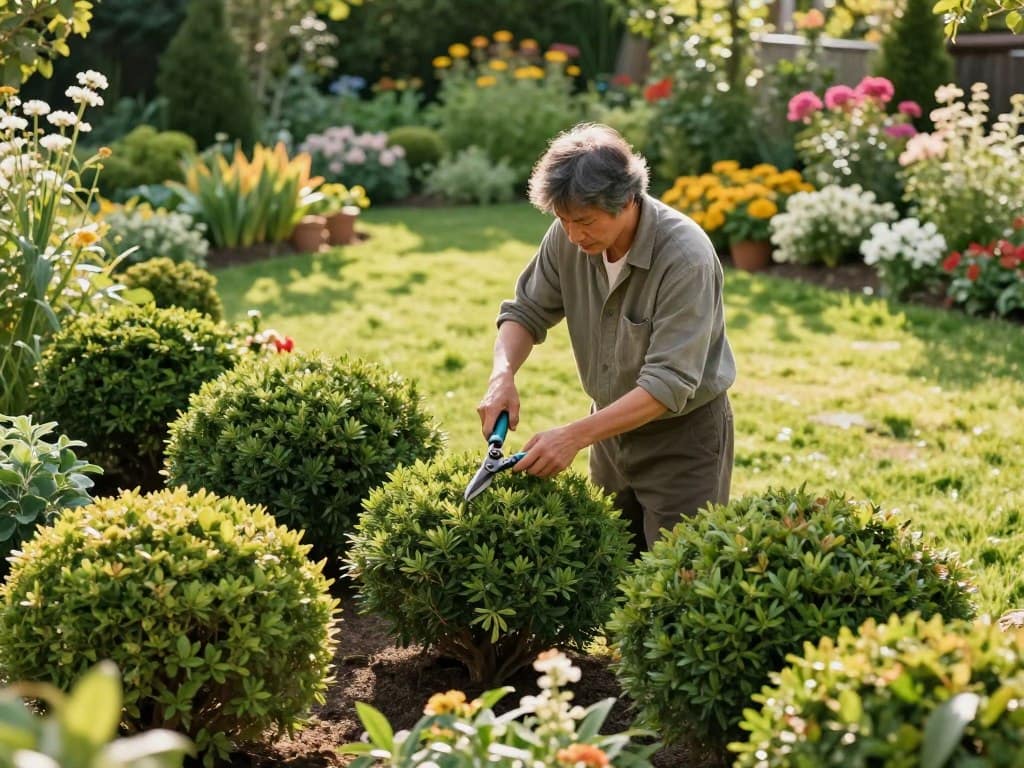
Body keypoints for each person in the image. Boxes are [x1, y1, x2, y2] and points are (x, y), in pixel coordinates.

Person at [476, 122, 736, 553]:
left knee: (678, 581)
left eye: (585, 222)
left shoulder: (685, 258)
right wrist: (501, 376)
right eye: (563, 220)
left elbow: (668, 383)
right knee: (614, 571)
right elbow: (526, 311)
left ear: (627, 200)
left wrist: (574, 435)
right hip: (610, 434)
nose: (574, 236)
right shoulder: (568, 235)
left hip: (683, 441)